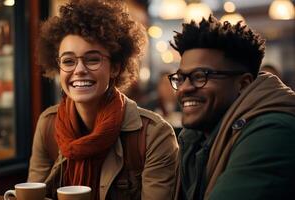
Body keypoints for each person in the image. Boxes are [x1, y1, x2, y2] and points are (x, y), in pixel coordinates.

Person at [28, 1, 179, 200]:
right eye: (68, 61)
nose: (79, 69)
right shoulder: (48, 125)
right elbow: (32, 193)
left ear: (115, 67)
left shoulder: (153, 135)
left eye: (92, 59)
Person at [168, 16, 295, 200]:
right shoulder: (197, 137)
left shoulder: (274, 131)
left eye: (200, 76)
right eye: (181, 78)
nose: (185, 88)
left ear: (243, 84)